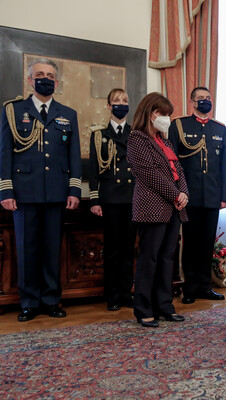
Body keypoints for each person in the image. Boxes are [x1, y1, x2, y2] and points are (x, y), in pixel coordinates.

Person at [0, 59, 82, 321]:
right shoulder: (12, 112)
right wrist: (6, 191)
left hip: (57, 193)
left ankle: (51, 300)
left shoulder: (68, 114)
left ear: (56, 82)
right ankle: (29, 302)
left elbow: (74, 156)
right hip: (24, 193)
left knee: (51, 249)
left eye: (49, 75)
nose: (45, 78)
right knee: (27, 250)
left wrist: (74, 190)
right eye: (39, 74)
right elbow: (4, 154)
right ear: (29, 80)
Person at [127, 92, 189, 328]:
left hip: (173, 208)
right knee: (149, 258)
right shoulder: (137, 139)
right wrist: (175, 194)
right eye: (163, 114)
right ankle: (143, 309)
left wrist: (184, 192)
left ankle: (165, 306)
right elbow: (150, 174)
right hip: (152, 207)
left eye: (168, 115)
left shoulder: (166, 141)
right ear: (150, 113)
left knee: (167, 259)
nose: (166, 118)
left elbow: (179, 171)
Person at [168, 87, 226, 304]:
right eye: (200, 98)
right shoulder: (180, 125)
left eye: (208, 98)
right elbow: (173, 163)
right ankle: (190, 288)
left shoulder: (219, 129)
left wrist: (225, 196)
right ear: (192, 102)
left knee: (207, 243)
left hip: (212, 195)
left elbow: (224, 165)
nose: (205, 101)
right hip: (189, 195)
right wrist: (176, 192)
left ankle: (205, 286)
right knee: (191, 243)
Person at [89, 88, 136, 311]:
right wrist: (95, 200)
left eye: (124, 101)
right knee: (113, 249)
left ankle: (127, 292)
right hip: (109, 200)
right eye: (116, 101)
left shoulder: (136, 133)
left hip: (131, 199)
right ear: (109, 106)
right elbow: (93, 170)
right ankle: (113, 295)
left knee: (128, 249)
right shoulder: (98, 135)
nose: (121, 104)